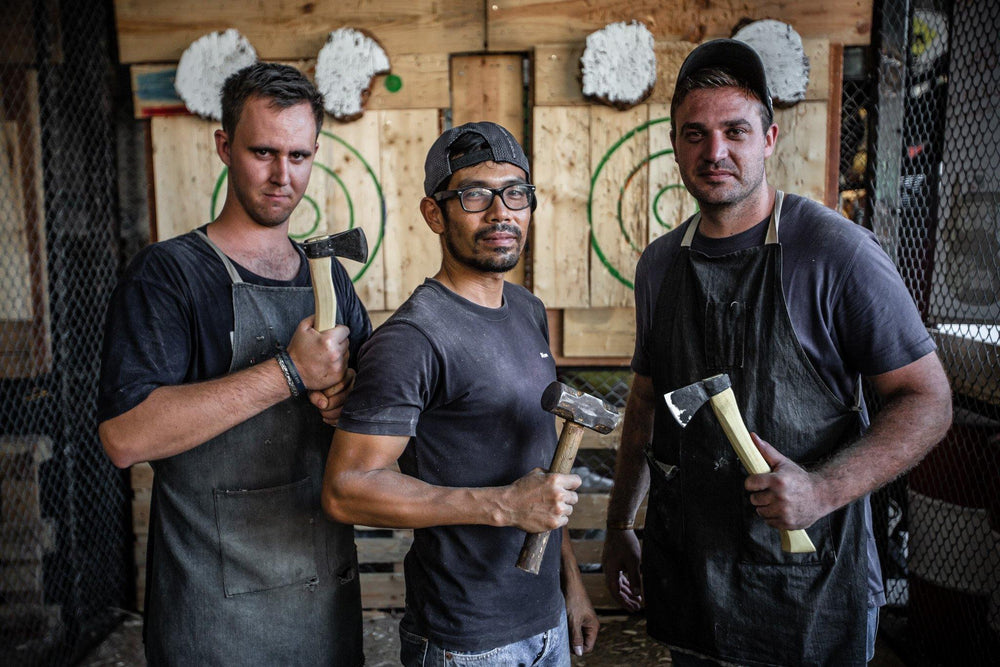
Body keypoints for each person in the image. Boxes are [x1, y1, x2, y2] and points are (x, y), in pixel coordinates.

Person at [601, 39, 952, 666]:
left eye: (735, 130)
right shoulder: (660, 265)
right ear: (676, 145)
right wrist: (622, 522)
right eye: (695, 134)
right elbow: (647, 403)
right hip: (695, 582)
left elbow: (928, 400)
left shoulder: (835, 253)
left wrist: (822, 489)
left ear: (769, 137)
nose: (716, 152)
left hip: (809, 592)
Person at [97, 63, 370, 665]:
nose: (282, 176)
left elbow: (370, 412)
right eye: (263, 152)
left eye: (299, 155)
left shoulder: (330, 280)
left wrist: (348, 399)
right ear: (224, 146)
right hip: (215, 615)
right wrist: (289, 373)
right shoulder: (168, 276)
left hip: (323, 601)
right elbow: (124, 436)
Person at [322, 121, 600, 665]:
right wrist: (501, 505)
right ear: (434, 214)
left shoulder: (527, 310)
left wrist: (571, 587)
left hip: (546, 624)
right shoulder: (413, 338)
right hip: (465, 641)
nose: (501, 212)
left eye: (516, 193)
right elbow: (346, 489)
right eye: (475, 195)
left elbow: (541, 476)